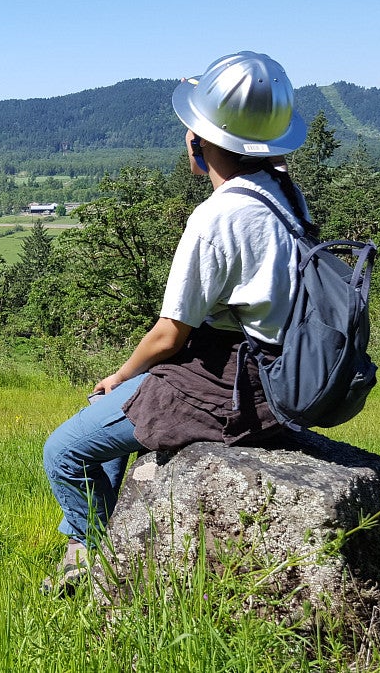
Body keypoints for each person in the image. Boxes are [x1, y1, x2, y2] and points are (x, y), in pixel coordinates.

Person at [41, 51, 313, 593]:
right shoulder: (284, 195)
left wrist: (119, 376)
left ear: (200, 142)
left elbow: (169, 334)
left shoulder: (219, 216)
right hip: (275, 374)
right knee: (110, 421)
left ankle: (86, 550)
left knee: (64, 451)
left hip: (225, 384)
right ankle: (106, 531)